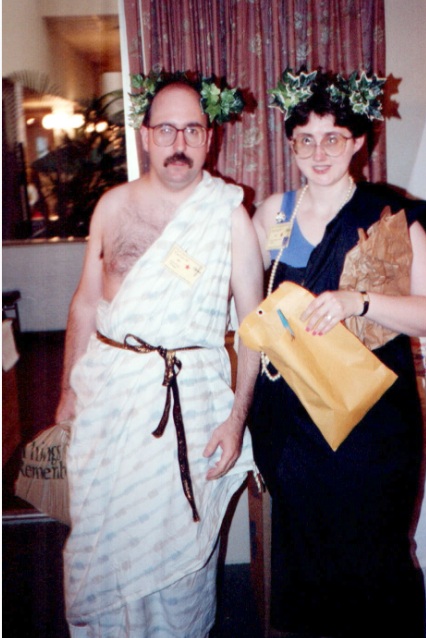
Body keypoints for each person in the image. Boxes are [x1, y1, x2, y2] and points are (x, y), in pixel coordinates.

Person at [55, 70, 263, 637]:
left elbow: (254, 326)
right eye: (166, 129)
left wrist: (236, 416)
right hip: (110, 403)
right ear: (145, 136)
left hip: (191, 404)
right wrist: (68, 394)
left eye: (192, 131)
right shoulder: (112, 207)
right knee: (104, 540)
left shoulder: (228, 216)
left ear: (209, 139)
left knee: (181, 564)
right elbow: (84, 303)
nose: (179, 143)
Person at [249, 69, 426, 638]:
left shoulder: (389, 214)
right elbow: (246, 305)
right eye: (305, 139)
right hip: (293, 426)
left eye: (334, 137)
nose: (319, 152)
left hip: (374, 428)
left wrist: (357, 300)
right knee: (307, 566)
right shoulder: (273, 215)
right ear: (290, 143)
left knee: (375, 562)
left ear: (359, 140)